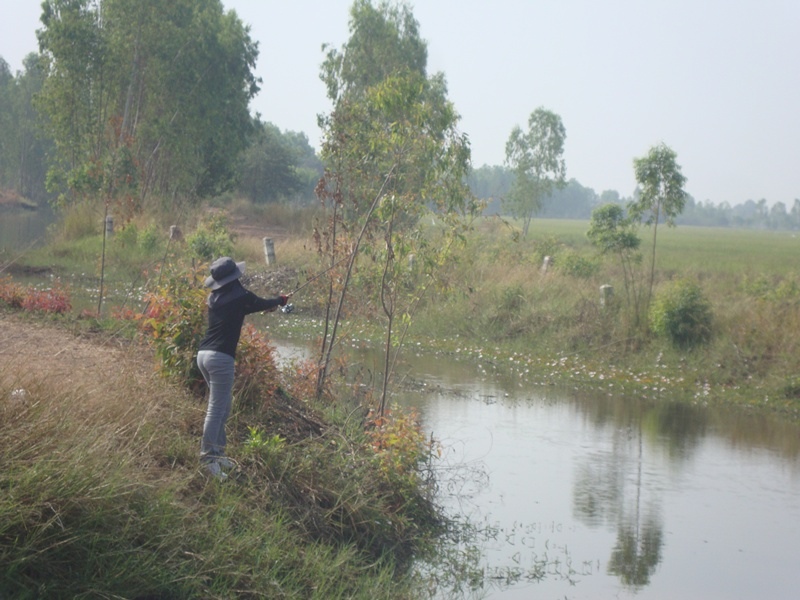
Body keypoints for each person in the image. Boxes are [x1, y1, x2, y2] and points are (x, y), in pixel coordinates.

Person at [196, 256, 287, 479]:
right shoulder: (240, 296)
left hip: (203, 355)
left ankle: (218, 453)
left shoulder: (215, 298)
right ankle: (208, 459)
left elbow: (247, 308)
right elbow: (260, 303)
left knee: (224, 405)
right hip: (221, 359)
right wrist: (280, 300)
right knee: (216, 410)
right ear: (234, 277)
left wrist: (272, 304)